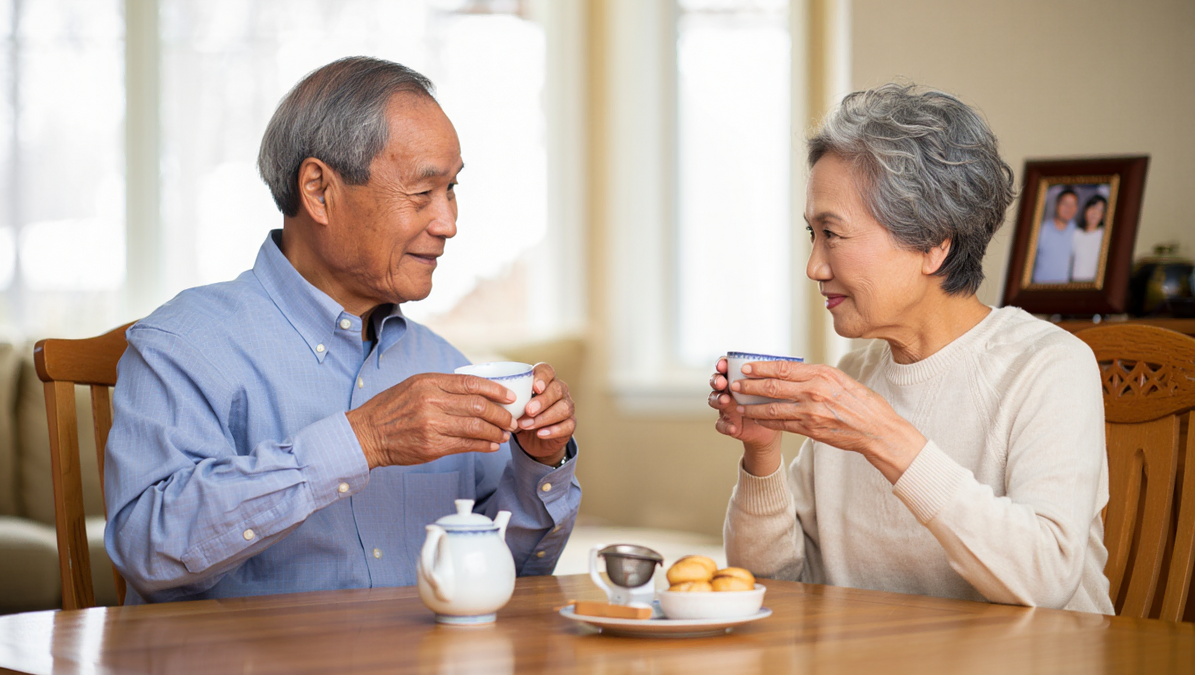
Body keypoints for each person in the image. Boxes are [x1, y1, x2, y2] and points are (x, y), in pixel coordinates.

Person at [104, 57, 581, 604]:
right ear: (319, 190)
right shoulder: (182, 345)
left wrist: (540, 462)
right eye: (422, 193)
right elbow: (149, 549)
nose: (448, 222)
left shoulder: (443, 364)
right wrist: (363, 440)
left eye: (452, 189)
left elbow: (514, 576)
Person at [709, 83, 1113, 613]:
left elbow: (1046, 579)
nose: (814, 266)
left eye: (833, 234)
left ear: (933, 243)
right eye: (812, 234)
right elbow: (778, 587)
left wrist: (883, 437)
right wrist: (762, 455)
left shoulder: (1047, 366)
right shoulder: (854, 376)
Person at [1031, 187, 1079, 283]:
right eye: (1065, 203)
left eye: (1072, 205)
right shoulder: (1041, 229)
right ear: (1057, 205)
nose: (1068, 208)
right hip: (1038, 288)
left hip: (1062, 292)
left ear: (1076, 208)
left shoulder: (1077, 232)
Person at [1070, 194, 1107, 283]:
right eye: (1093, 207)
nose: (1095, 213)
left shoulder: (1104, 236)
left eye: (1100, 210)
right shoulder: (1075, 234)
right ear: (1086, 209)